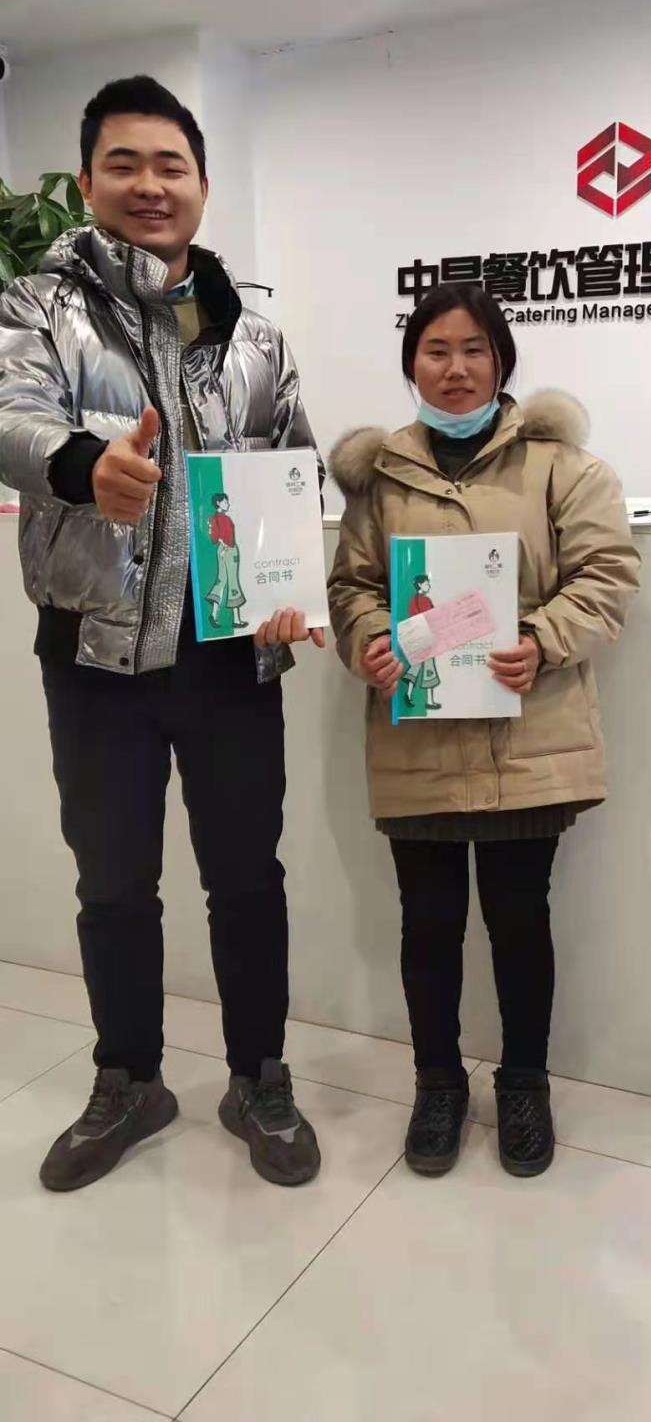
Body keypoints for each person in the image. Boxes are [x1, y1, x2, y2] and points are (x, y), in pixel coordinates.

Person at [0, 76, 324, 1191]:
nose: (149, 184)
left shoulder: (254, 332)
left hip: (233, 656)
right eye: (124, 164)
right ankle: (129, 1078)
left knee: (248, 878)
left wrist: (292, 581)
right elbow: (9, 416)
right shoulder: (38, 306)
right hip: (95, 652)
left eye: (169, 165)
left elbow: (295, 461)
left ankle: (259, 1074)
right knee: (113, 886)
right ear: (89, 181)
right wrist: (82, 464)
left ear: (201, 184)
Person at [328, 284, 640, 1179]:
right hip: (417, 736)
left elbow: (606, 574)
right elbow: (351, 586)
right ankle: (436, 1083)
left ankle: (523, 1084)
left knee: (517, 919)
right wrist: (370, 638)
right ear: (411, 365)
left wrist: (541, 638)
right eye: (435, 350)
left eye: (473, 349)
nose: (455, 368)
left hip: (526, 738)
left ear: (501, 360)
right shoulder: (380, 479)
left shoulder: (562, 467)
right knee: (426, 922)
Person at [207, 491, 246, 630]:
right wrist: (226, 546)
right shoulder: (224, 519)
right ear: (218, 503)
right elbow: (226, 536)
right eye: (225, 501)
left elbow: (214, 537)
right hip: (229, 549)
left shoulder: (213, 518)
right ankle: (236, 619)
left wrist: (222, 545)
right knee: (233, 582)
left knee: (221, 580)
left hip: (221, 550)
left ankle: (213, 615)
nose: (227, 504)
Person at [402, 575, 441, 711]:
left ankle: (408, 694)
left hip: (418, 638)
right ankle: (429, 701)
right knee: (429, 668)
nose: (428, 586)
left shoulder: (416, 600)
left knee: (416, 666)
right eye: (426, 583)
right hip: (425, 637)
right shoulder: (422, 600)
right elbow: (430, 617)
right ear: (420, 585)